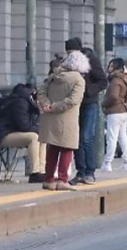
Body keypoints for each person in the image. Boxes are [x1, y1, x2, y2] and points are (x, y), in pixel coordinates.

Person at [38, 51, 89, 191]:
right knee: (67, 148)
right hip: (68, 118)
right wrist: (55, 107)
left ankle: (48, 179)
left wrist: (47, 104)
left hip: (50, 118)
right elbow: (74, 100)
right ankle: (62, 180)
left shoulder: (54, 76)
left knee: (53, 148)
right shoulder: (78, 79)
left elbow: (40, 92)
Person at [65, 38, 107, 186]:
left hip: (89, 103)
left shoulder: (90, 61)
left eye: (72, 52)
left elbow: (103, 81)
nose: (70, 55)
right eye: (68, 53)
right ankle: (80, 171)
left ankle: (90, 171)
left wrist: (89, 91)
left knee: (86, 137)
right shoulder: (67, 64)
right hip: (74, 105)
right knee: (76, 139)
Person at [0, 83, 45, 183]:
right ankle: (35, 173)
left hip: (11, 132)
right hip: (2, 135)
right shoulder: (20, 102)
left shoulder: (26, 101)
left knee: (43, 136)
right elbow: (24, 126)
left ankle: (42, 171)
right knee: (34, 137)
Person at [101, 58, 127, 173]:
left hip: (115, 111)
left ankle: (107, 163)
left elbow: (113, 96)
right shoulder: (126, 79)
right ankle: (126, 162)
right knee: (123, 137)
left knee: (111, 138)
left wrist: (104, 104)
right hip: (125, 111)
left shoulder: (116, 80)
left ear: (116, 68)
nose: (109, 68)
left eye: (111, 66)